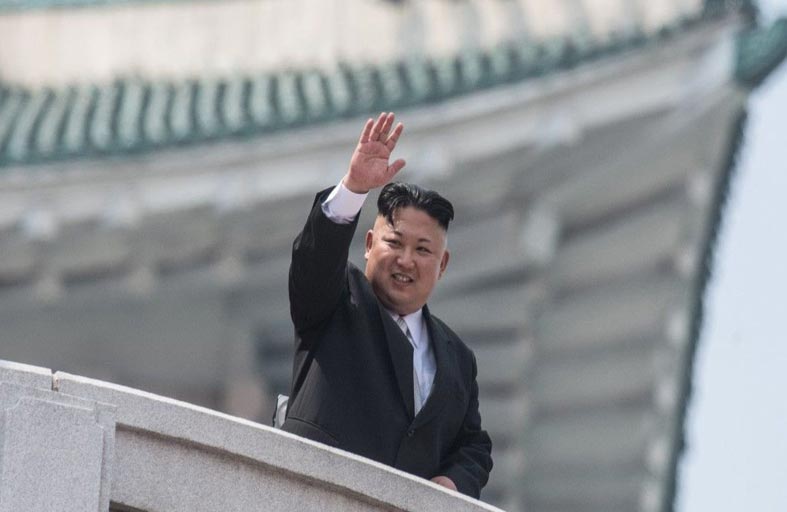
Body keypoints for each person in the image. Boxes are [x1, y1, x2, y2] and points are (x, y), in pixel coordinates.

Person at [282, 112, 492, 498]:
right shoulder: (335, 300)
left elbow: (473, 445)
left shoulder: (458, 358)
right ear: (368, 245)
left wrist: (450, 483)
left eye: (423, 250)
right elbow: (314, 259)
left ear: (442, 264)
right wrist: (354, 187)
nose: (405, 260)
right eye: (394, 243)